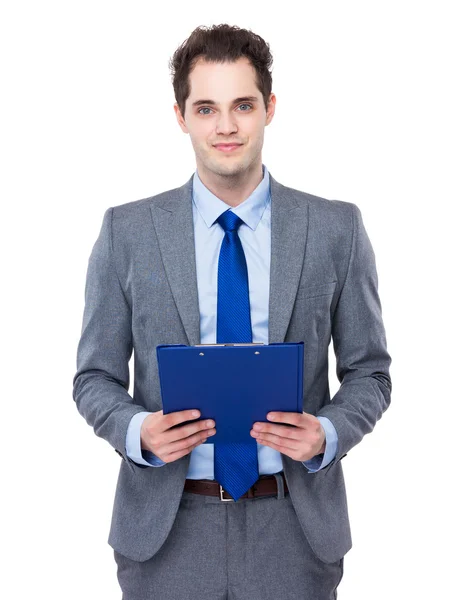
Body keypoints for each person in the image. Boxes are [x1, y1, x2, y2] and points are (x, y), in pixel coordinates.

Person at [73, 23, 392, 600]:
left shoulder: (335, 229)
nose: (225, 126)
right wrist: (135, 430)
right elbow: (93, 377)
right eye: (206, 108)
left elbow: (370, 372)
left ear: (269, 108)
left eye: (243, 105)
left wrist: (326, 433)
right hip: (166, 534)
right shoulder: (127, 232)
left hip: (294, 532)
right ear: (180, 116)